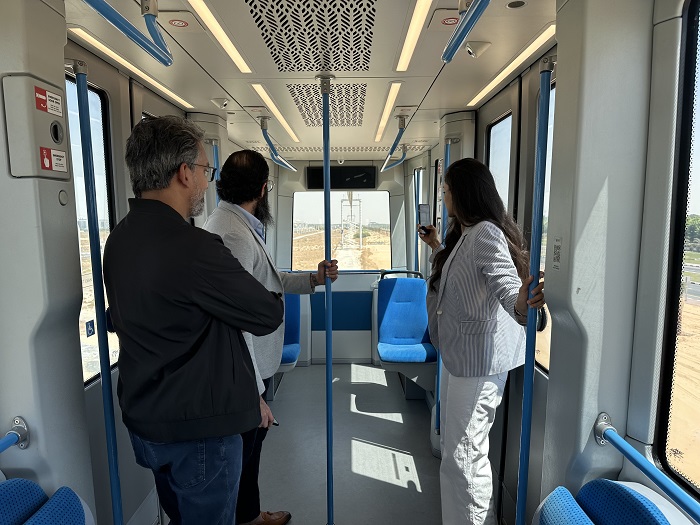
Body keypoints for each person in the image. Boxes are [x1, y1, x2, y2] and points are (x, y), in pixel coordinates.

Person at [103, 117, 284, 525]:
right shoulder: (197, 248)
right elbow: (266, 314)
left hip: (146, 423)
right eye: (205, 171)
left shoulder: (119, 240)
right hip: (198, 433)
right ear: (184, 173)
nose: (206, 182)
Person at [203, 149, 339, 525]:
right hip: (246, 370)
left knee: (249, 449)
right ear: (264, 189)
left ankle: (248, 514)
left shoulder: (232, 222)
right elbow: (235, 319)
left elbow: (267, 279)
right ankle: (245, 518)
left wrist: (312, 279)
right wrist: (253, 393)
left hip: (249, 367)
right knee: (243, 452)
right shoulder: (234, 235)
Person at [418, 158, 545, 525]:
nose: (444, 198)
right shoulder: (468, 233)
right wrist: (436, 245)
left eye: (445, 191)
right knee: (458, 455)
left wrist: (523, 300)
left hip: (478, 364)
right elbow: (465, 276)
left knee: (465, 458)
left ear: (463, 192)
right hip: (462, 359)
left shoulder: (485, 232)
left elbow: (505, 287)